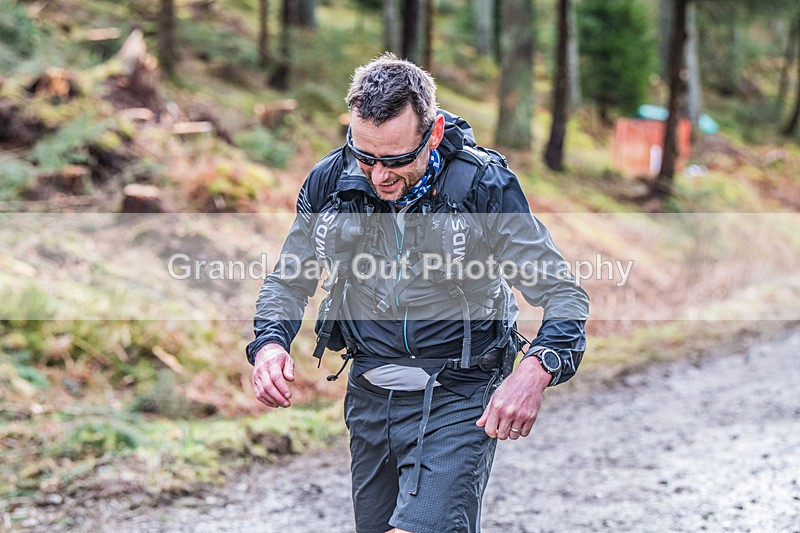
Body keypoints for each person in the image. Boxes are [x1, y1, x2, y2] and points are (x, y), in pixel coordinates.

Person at [247, 53, 589, 533]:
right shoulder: (331, 182)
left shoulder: (482, 186)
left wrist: (536, 368)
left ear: (433, 132)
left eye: (396, 160)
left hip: (460, 393)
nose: (379, 176)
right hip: (370, 398)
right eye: (365, 156)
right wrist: (269, 344)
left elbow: (563, 293)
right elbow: (288, 280)